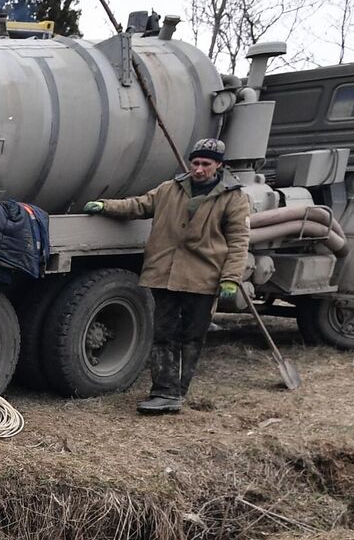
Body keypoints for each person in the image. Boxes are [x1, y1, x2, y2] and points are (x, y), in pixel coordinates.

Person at [84, 137, 253, 415]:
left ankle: (176, 392)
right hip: (164, 275)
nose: (199, 169)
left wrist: (230, 279)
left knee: (191, 336)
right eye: (195, 163)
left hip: (202, 279)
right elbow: (138, 205)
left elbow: (238, 241)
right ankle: (162, 390)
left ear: (219, 166)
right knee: (163, 334)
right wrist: (105, 206)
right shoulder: (169, 189)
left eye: (205, 164)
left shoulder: (233, 198)